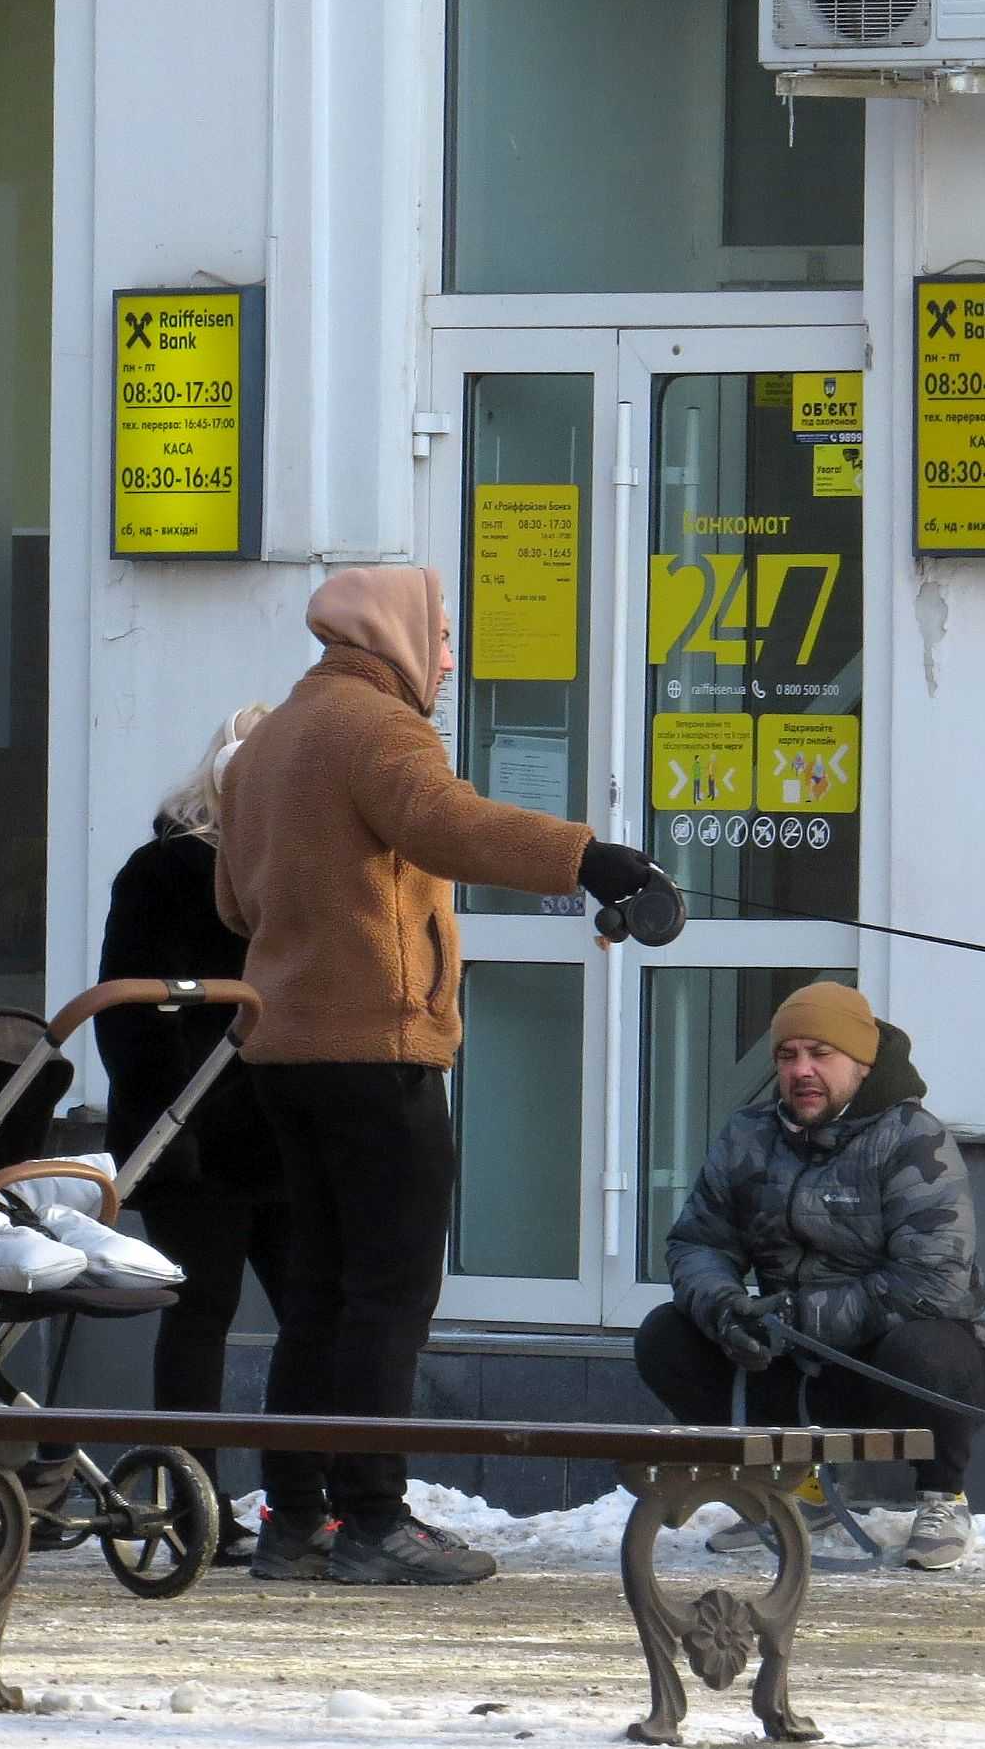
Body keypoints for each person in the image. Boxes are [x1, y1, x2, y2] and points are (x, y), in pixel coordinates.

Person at [216, 566, 660, 1586]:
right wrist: (584, 856)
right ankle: (374, 1520)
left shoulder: (268, 742)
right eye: (444, 636)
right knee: (388, 1294)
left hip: (281, 1053)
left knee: (317, 1295)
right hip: (378, 1050)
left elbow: (235, 904)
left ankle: (296, 1519)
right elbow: (444, 821)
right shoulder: (377, 726)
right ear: (394, 632)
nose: (451, 659)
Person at [634, 982, 985, 1571]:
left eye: (820, 1054)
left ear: (861, 1063)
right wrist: (727, 1309)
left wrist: (796, 1318)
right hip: (793, 1354)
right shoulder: (748, 1135)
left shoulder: (914, 1137)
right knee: (665, 1335)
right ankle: (790, 1484)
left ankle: (942, 1496)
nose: (801, 1070)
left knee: (926, 1349)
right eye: (788, 1055)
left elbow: (931, 1281)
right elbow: (697, 1242)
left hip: (901, 1358)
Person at [92, 704, 288, 1567]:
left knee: (308, 1309)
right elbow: (129, 1015)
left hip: (271, 1128)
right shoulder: (165, 870)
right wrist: (174, 1123)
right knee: (203, 1313)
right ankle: (194, 1505)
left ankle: (300, 1502)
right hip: (192, 1130)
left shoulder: (287, 865)